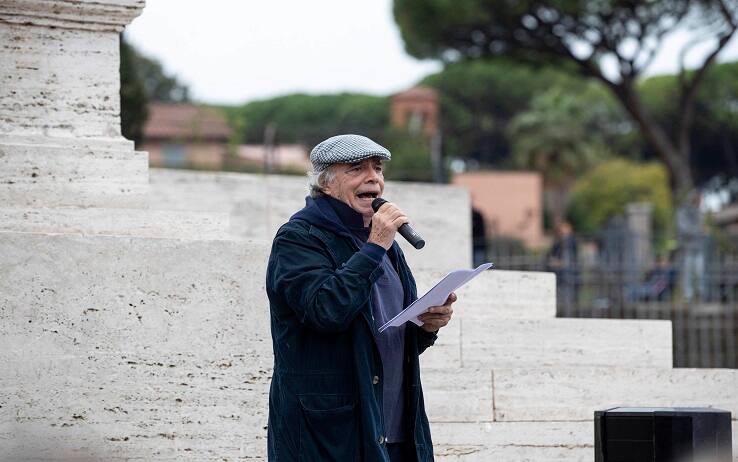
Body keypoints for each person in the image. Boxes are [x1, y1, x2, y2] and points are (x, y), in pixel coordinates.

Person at [265, 134, 455, 461]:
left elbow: (386, 341)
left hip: (394, 431)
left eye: (377, 168)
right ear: (325, 182)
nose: (373, 178)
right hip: (330, 436)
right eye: (356, 169)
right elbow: (326, 311)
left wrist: (425, 326)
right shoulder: (298, 238)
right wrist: (375, 246)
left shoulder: (387, 246)